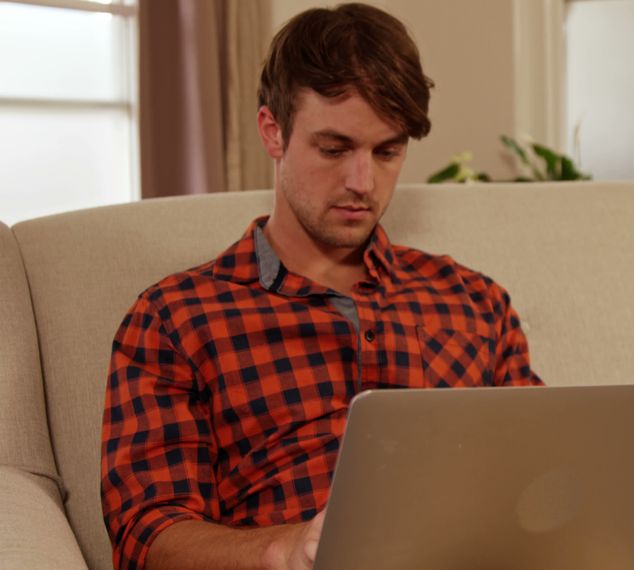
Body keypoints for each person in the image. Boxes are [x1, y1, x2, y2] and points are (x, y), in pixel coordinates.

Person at [100, 4, 543, 569]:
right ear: (273, 132)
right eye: (334, 149)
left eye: (388, 151)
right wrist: (284, 549)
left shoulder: (475, 302)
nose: (363, 183)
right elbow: (147, 535)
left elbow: (543, 474)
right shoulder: (175, 318)